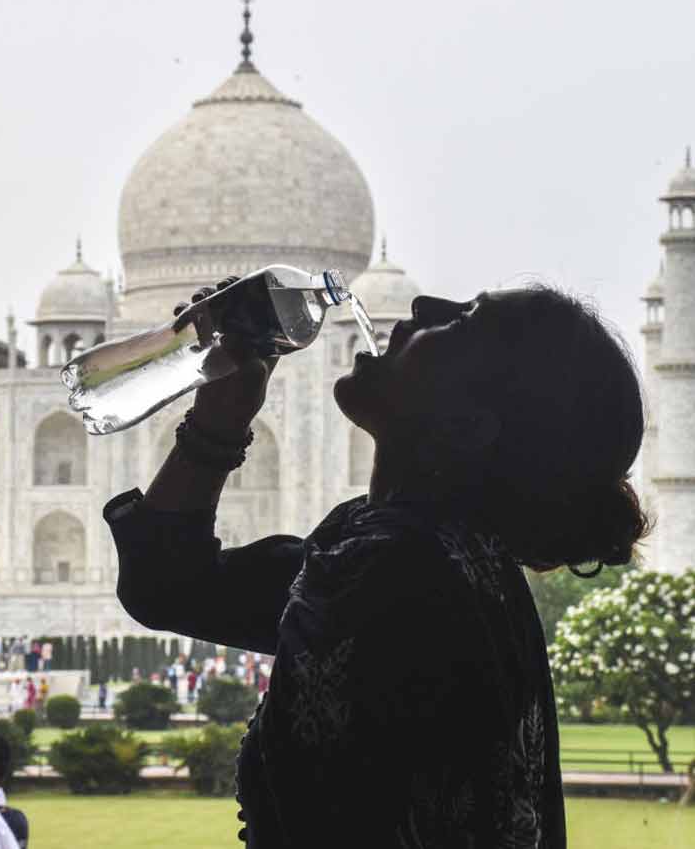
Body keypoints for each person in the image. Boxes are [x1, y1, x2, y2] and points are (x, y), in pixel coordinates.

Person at [106, 283, 651, 847]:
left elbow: (168, 587)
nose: (422, 306)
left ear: (471, 424)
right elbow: (167, 587)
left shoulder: (400, 571)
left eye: (462, 321)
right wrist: (224, 412)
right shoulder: (427, 556)